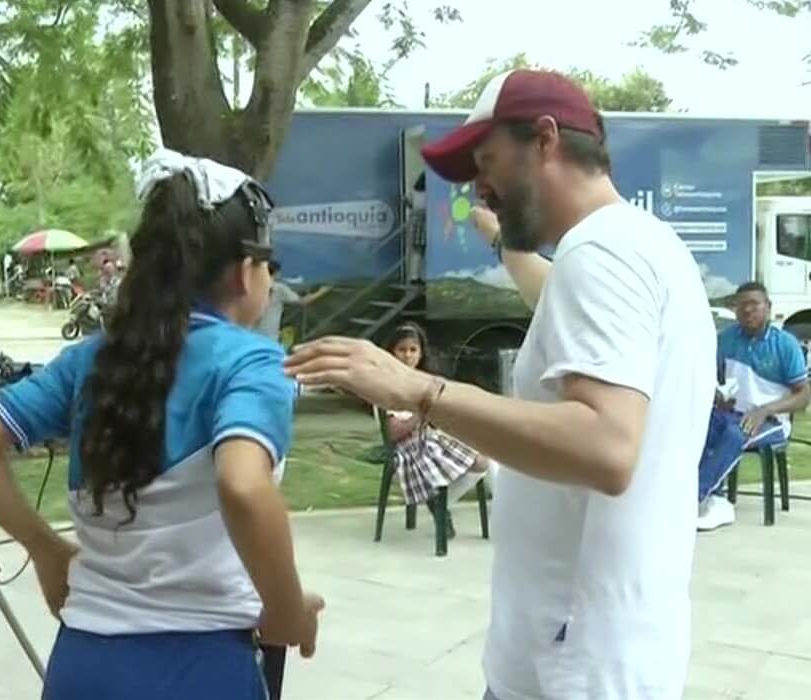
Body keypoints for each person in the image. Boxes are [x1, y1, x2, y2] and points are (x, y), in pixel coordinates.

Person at [286, 69, 717, 699]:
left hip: (572, 661)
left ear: (545, 140)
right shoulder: (644, 246)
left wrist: (418, 391)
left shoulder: (598, 255)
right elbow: (562, 310)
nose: (479, 187)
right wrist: (505, 243)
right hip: (610, 648)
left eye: (487, 162)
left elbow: (606, 446)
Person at [0, 149, 322, 700]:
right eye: (271, 264)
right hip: (201, 666)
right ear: (246, 272)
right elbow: (242, 484)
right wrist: (287, 612)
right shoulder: (252, 362)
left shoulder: (92, 358)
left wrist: (46, 550)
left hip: (83, 662)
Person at [696, 281, 811, 531]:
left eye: (754, 304)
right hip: (732, 413)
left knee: (735, 434)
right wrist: (719, 396)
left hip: (772, 420)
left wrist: (765, 410)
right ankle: (713, 497)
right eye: (741, 305)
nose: (747, 310)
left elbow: (804, 395)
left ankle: (696, 498)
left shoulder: (785, 344)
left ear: (767, 307)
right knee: (697, 425)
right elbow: (717, 380)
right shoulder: (726, 339)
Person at [383, 322, 488, 535]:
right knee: (440, 454)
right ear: (392, 352)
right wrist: (422, 412)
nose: (408, 356)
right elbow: (394, 432)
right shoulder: (386, 383)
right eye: (402, 350)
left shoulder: (424, 379)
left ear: (421, 353)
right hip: (408, 447)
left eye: (413, 350)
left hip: (432, 436)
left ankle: (442, 503)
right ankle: (439, 504)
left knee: (484, 460)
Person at [255, 261, 330, 343]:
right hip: (268, 336)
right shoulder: (279, 288)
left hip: (250, 333)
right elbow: (303, 301)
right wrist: (321, 292)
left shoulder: (253, 286)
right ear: (276, 273)